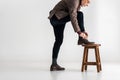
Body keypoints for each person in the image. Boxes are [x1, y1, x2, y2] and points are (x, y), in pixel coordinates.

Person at [48, 0, 94, 71]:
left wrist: (82, 32)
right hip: (56, 18)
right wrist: (80, 33)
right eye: (88, 2)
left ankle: (54, 64)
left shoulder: (77, 3)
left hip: (57, 19)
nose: (87, 5)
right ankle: (81, 39)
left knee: (59, 40)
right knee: (80, 14)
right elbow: (73, 17)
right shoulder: (75, 1)